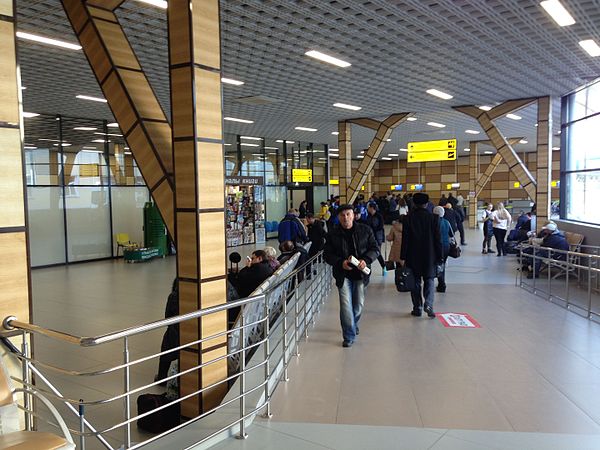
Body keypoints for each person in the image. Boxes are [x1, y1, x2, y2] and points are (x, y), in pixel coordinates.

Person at [324, 204, 379, 348]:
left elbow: (375, 249)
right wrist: (340, 262)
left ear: (354, 215)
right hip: (343, 275)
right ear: (338, 217)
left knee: (358, 304)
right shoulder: (332, 234)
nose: (345, 218)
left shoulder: (365, 230)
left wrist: (365, 260)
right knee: (346, 305)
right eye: (342, 215)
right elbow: (327, 254)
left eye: (348, 214)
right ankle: (348, 335)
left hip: (361, 274)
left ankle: (352, 324)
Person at [400, 193, 442, 318]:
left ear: (414, 203)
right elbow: (437, 239)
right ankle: (429, 304)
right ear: (427, 204)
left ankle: (417, 307)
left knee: (415, 282)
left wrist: (403, 256)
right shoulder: (434, 218)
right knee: (429, 279)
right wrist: (440, 257)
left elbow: (405, 239)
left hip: (412, 255)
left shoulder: (408, 218)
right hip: (430, 255)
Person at [155, 278, 179, 385]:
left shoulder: (173, 296)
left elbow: (167, 318)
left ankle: (162, 377)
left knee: (166, 346)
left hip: (175, 332)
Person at [432, 206, 453, 292]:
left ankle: (433, 282)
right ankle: (442, 284)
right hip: (445, 246)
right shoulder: (447, 222)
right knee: (442, 265)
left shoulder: (432, 223)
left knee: (432, 264)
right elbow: (451, 235)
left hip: (434, 246)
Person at [365, 202, 387, 275]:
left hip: (377, 237)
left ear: (372, 208)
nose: (367, 209)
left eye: (368, 207)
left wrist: (372, 230)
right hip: (369, 237)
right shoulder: (368, 216)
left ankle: (384, 266)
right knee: (368, 253)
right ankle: (367, 270)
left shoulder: (379, 216)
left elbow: (381, 226)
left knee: (377, 253)